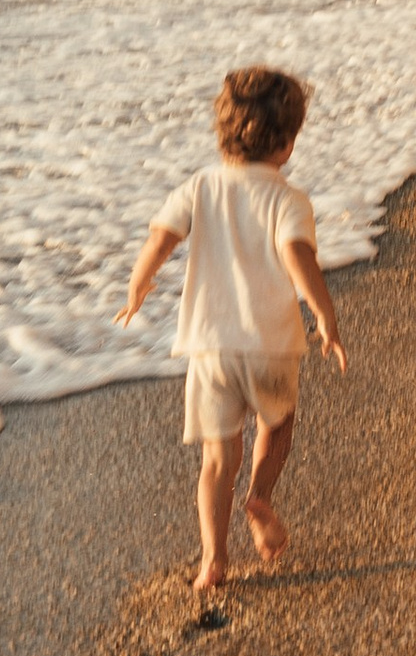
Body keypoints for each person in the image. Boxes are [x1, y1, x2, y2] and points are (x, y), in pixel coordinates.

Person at [116, 63, 346, 601]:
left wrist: (137, 287)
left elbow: (159, 240)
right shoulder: (287, 199)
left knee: (217, 459)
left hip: (210, 347)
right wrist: (325, 316)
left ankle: (213, 558)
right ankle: (260, 497)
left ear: (220, 133)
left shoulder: (198, 188)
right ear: (287, 144)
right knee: (278, 424)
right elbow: (297, 257)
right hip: (270, 344)